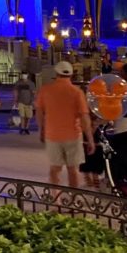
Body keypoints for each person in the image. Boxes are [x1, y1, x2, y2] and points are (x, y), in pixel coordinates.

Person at [34, 60, 95, 188]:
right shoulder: (77, 92)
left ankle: (57, 199)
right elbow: (84, 117)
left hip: (52, 135)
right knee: (73, 170)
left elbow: (39, 112)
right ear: (71, 75)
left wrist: (42, 130)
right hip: (73, 135)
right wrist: (90, 139)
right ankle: (73, 200)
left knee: (55, 169)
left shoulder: (45, 90)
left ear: (56, 74)